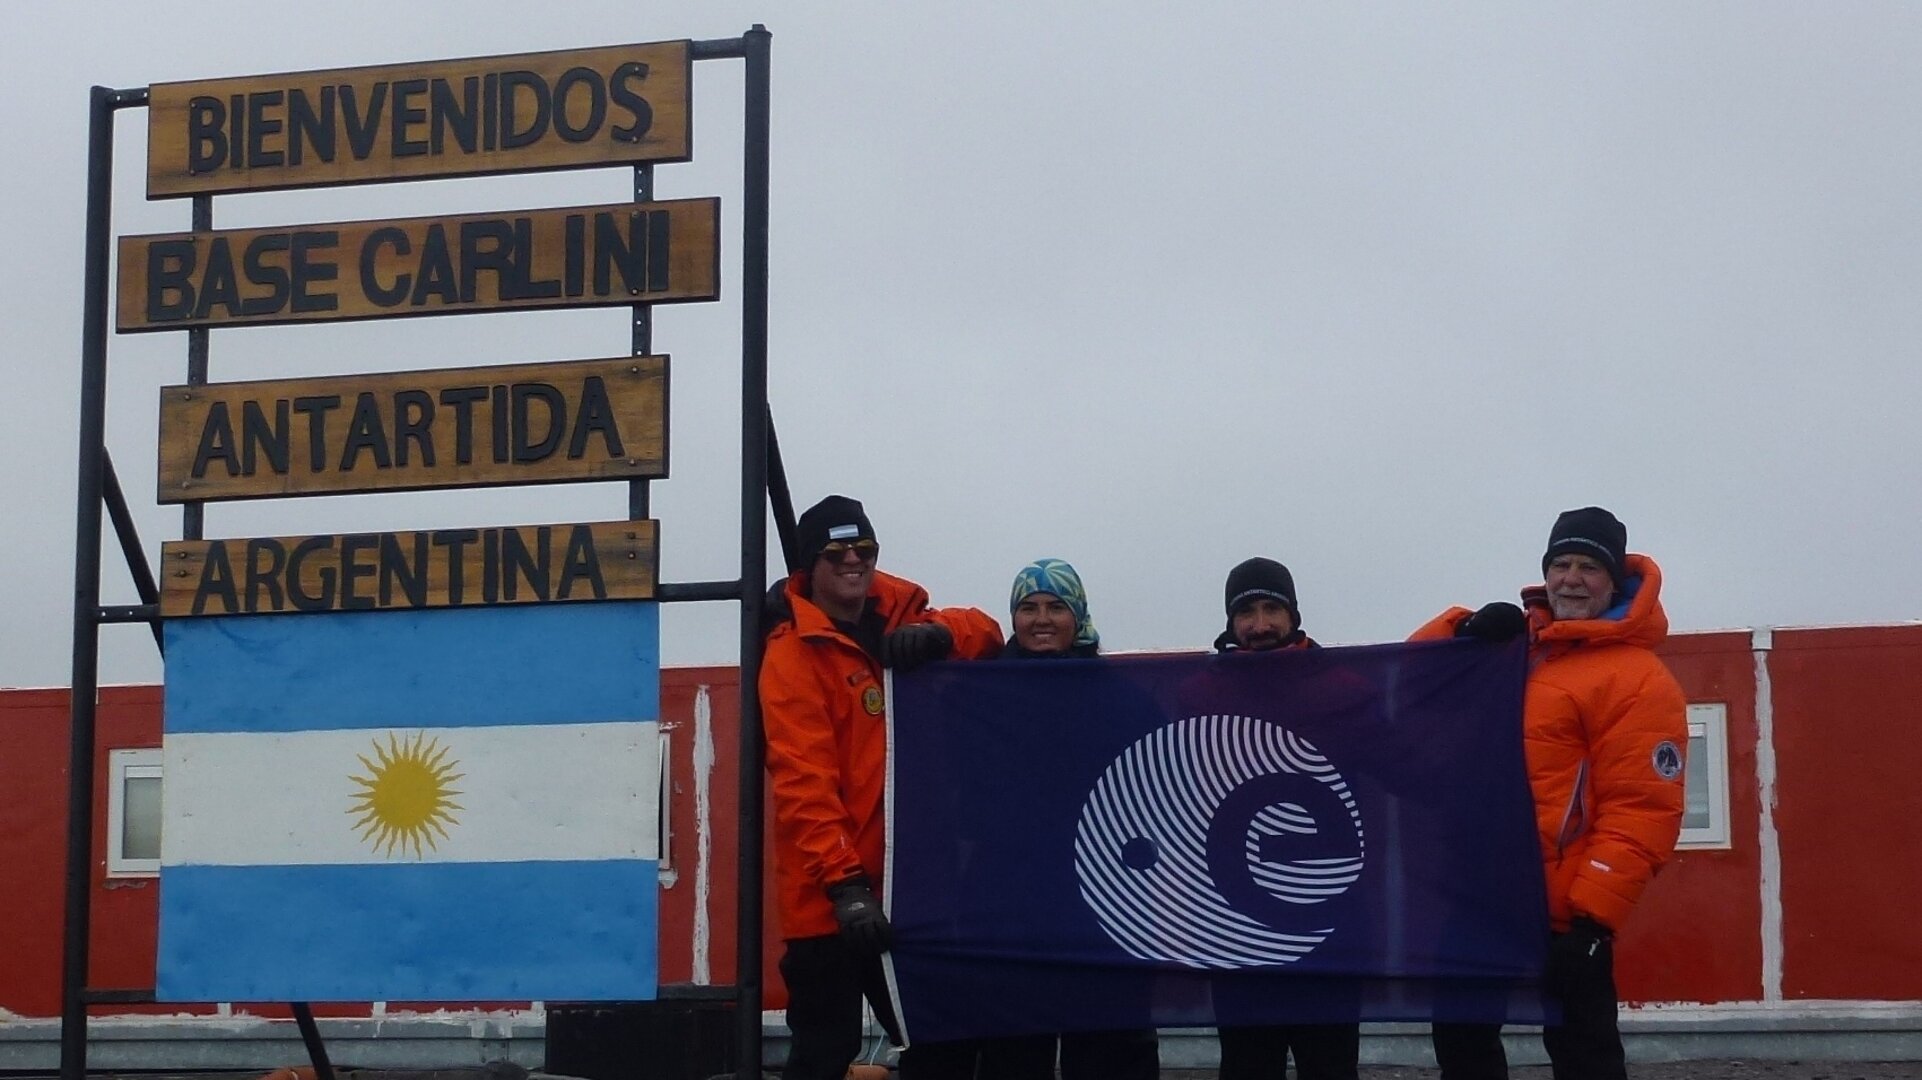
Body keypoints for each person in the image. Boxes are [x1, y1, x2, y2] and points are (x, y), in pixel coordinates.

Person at [1418, 507, 1688, 1080]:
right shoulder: (1512, 650)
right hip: (1478, 898)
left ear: (1614, 581)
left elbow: (1641, 809)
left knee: (1584, 1057)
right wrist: (1460, 631)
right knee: (1463, 1055)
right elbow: (1413, 682)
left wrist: (1593, 920)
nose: (1571, 579)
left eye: (1589, 567)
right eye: (1560, 564)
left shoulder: (1636, 678)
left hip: (1565, 912)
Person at [760, 495, 1004, 1080]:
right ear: (808, 565)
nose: (853, 561)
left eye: (864, 549)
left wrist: (941, 636)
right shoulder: (793, 657)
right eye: (837, 551)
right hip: (831, 904)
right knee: (824, 1049)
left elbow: (990, 633)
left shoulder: (902, 613)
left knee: (943, 1043)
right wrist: (847, 888)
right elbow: (804, 785)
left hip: (915, 890)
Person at [1210, 557, 1362, 1080]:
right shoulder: (1198, 692)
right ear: (1230, 622)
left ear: (1294, 614)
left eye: (1271, 608)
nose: (1259, 625)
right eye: (1246, 612)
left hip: (1328, 919)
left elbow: (1404, 772)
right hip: (1238, 921)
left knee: (1330, 1064)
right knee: (1247, 1066)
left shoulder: (1344, 688)